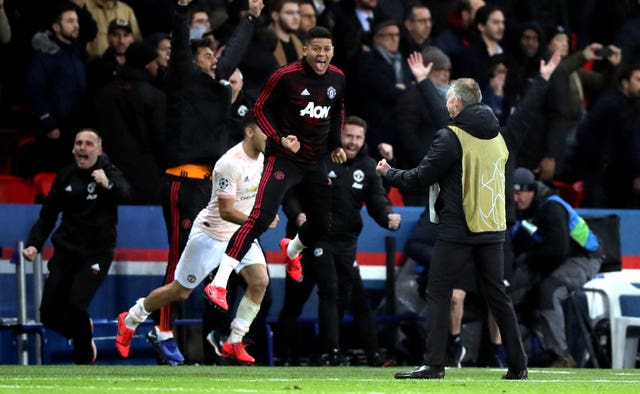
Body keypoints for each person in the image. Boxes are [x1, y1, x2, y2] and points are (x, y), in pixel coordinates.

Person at [378, 77, 528, 380]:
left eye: (449, 99)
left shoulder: (451, 136)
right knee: (497, 295)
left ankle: (434, 363)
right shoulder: (498, 137)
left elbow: (421, 177)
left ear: (457, 103)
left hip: (458, 226)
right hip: (493, 225)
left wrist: (388, 172)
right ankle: (518, 364)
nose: (447, 104)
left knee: (438, 292)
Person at [152, 0, 264, 365]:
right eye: (206, 56)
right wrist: (181, 11)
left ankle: (219, 331)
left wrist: (249, 18)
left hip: (209, 186)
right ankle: (163, 331)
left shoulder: (218, 88)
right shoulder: (182, 80)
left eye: (213, 58)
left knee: (223, 262)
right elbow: (182, 53)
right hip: (183, 181)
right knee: (178, 262)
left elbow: (230, 56)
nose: (214, 61)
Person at [116, 115, 277, 365]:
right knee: (180, 291)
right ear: (249, 132)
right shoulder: (229, 164)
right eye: (268, 132)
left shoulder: (265, 157)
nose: (273, 137)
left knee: (259, 282)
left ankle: (235, 340)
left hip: (240, 232)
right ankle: (130, 318)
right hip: (212, 233)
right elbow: (225, 211)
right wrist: (259, 221)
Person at [214, 26, 346, 310]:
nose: (322, 54)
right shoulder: (285, 76)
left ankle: (293, 249)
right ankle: (219, 283)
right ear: (305, 50)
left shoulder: (338, 78)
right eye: (317, 48)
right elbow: (259, 109)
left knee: (322, 224)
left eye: (327, 49)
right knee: (261, 218)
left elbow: (336, 112)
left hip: (315, 161)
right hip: (284, 158)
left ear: (332, 51)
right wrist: (279, 139)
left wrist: (335, 145)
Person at [277, 116, 400, 366]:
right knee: (301, 298)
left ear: (364, 139)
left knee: (343, 295)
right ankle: (285, 352)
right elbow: (290, 188)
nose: (352, 142)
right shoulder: (319, 157)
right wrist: (297, 214)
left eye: (358, 137)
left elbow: (377, 202)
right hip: (312, 238)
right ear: (339, 136)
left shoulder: (367, 167)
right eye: (348, 136)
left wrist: (388, 216)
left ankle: (325, 352)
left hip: (346, 242)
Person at [22, 129, 131, 365]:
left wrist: (108, 184)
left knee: (75, 306)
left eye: (89, 144)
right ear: (73, 149)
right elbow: (48, 214)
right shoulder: (66, 175)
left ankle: (83, 361)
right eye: (78, 143)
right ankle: (82, 331)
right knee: (48, 314)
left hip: (96, 253)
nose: (83, 147)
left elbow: (126, 193)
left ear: (99, 150)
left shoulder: (108, 172)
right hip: (66, 252)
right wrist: (34, 244)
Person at [509, 167, 603, 367]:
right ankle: (541, 351)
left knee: (549, 290)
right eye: (512, 194)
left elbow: (557, 251)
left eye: (519, 193)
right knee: (519, 295)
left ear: (531, 190)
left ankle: (560, 356)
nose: (515, 199)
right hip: (554, 259)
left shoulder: (552, 208)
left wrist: (527, 258)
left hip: (583, 257)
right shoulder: (523, 212)